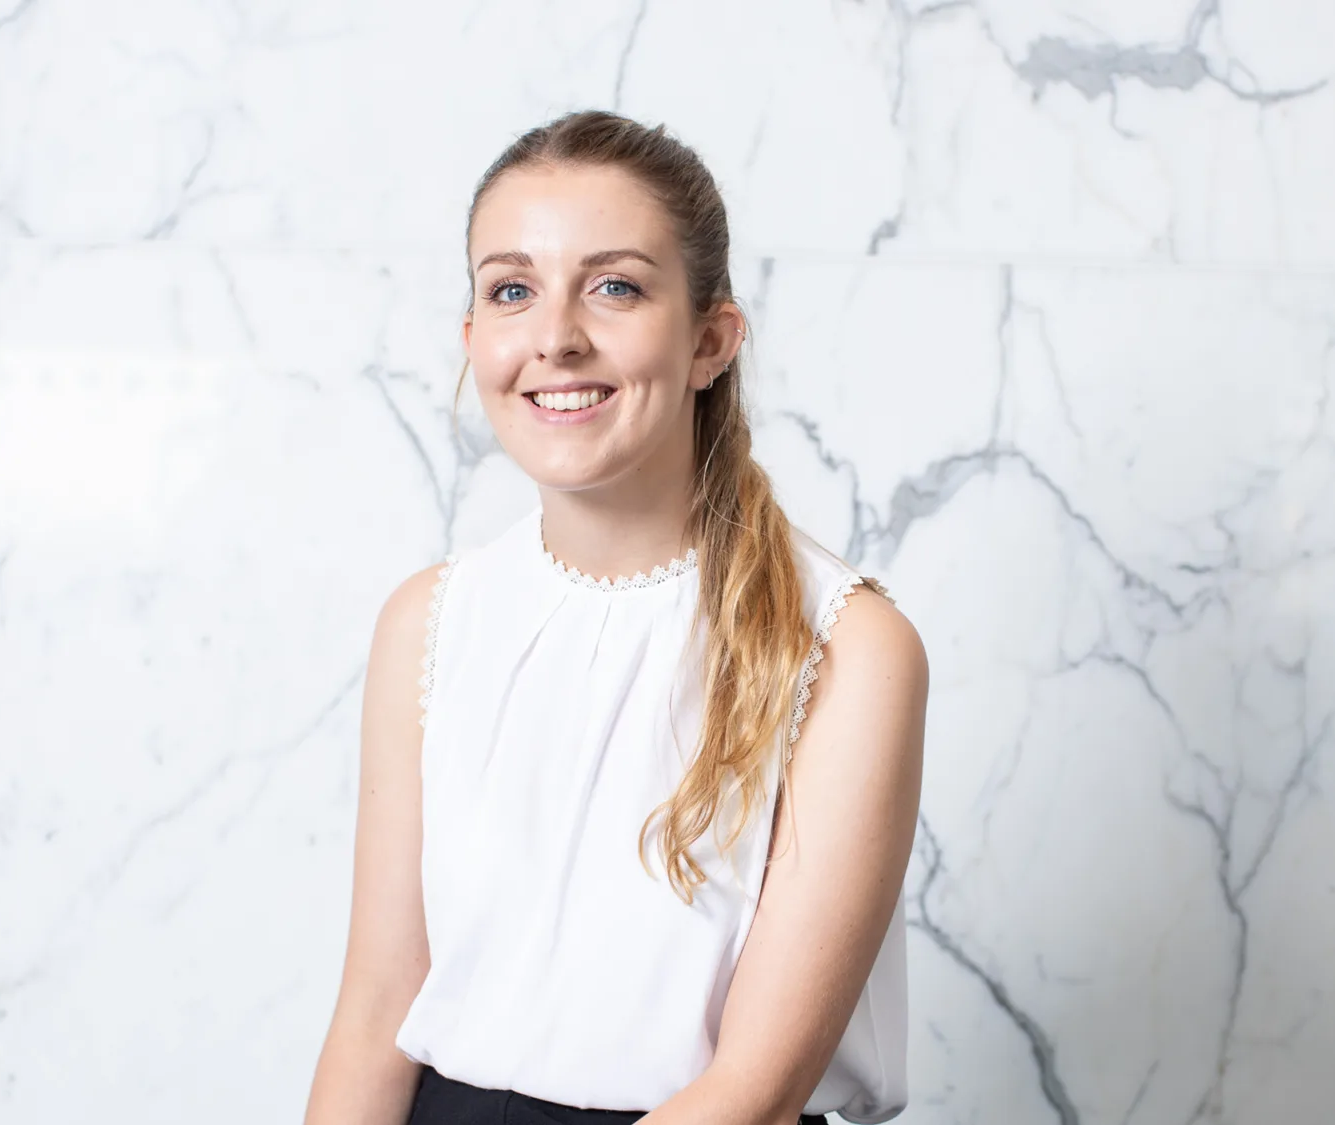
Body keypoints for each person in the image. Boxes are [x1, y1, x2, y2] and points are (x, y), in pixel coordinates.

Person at [304, 110, 928, 1125]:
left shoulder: (849, 649)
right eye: (512, 289)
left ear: (709, 341)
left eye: (615, 287)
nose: (555, 337)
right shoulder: (426, 622)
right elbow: (375, 1010)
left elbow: (753, 1090)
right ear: (472, 339)